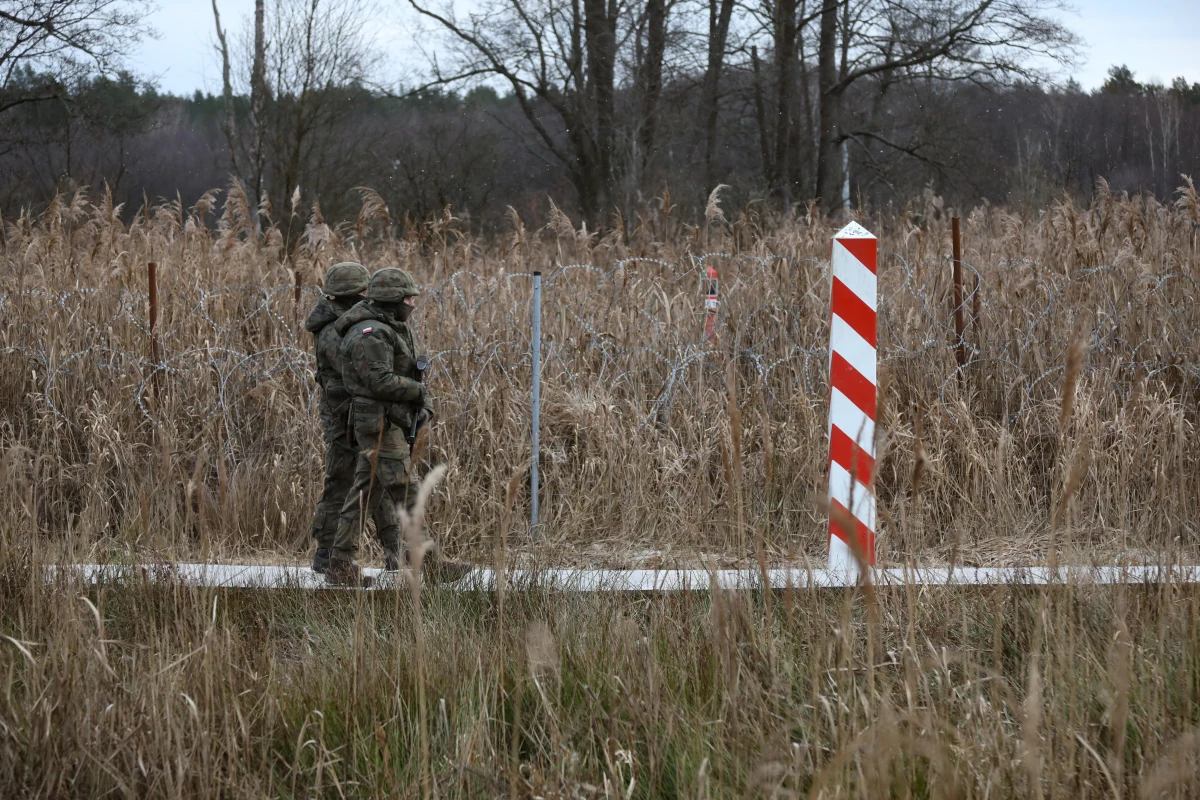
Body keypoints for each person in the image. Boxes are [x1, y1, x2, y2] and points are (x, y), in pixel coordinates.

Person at [326, 267, 470, 587]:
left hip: (388, 418)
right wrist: (418, 393)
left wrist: (422, 402)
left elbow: (407, 375)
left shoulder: (390, 326)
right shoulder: (371, 333)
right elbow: (379, 381)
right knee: (407, 491)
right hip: (378, 421)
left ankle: (339, 562)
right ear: (392, 299)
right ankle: (428, 564)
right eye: (407, 297)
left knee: (365, 491)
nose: (412, 303)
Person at [302, 261, 398, 573]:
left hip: (359, 412)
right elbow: (357, 370)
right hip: (342, 416)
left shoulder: (345, 322)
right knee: (341, 481)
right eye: (363, 292)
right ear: (348, 296)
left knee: (377, 478)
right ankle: (326, 553)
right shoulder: (332, 331)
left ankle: (395, 550)